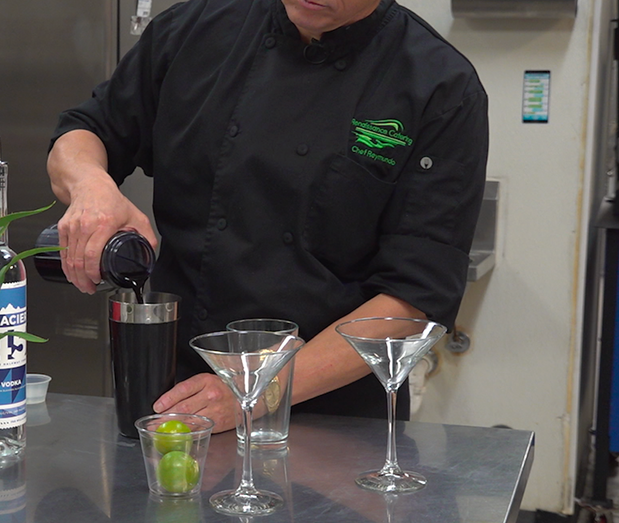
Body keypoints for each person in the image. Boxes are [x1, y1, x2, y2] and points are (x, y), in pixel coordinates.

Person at [46, 0, 488, 434]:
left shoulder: (439, 85)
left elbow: (414, 297)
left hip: (335, 419)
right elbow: (85, 131)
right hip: (177, 400)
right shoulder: (193, 30)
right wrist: (90, 187)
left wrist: (257, 391)